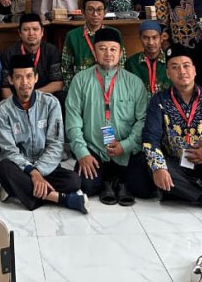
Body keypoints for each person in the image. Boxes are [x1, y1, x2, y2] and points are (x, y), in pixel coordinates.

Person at [65, 28, 153, 206]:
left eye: (113, 49)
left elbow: (143, 120)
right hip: (94, 148)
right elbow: (73, 121)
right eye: (102, 48)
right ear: (94, 52)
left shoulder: (134, 82)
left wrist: (126, 144)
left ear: (120, 53)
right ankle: (112, 180)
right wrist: (82, 153)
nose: (108, 54)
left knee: (144, 189)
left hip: (127, 150)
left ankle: (114, 180)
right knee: (86, 186)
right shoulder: (80, 80)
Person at [0, 54, 88, 213]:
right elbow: (9, 150)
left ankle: (17, 189)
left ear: (36, 78)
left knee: (74, 181)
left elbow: (55, 145)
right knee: (3, 168)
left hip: (46, 167)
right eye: (18, 77)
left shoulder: (51, 103)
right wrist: (31, 172)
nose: (25, 82)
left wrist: (38, 172)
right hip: (21, 167)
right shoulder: (3, 111)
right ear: (10, 80)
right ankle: (60, 199)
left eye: (29, 76)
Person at [142, 48, 202, 206]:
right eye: (175, 67)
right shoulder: (159, 101)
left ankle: (188, 193)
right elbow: (150, 137)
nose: (182, 71)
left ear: (194, 70)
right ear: (168, 74)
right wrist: (159, 168)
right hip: (177, 164)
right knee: (156, 168)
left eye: (186, 65)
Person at [61, 0, 123, 88]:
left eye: (99, 10)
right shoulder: (72, 36)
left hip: (110, 88)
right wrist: (74, 90)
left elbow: (121, 65)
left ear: (105, 12)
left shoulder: (115, 34)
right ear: (83, 12)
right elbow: (66, 69)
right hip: (81, 88)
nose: (95, 14)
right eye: (90, 9)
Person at [0, 13, 63, 101]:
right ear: (20, 33)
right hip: (17, 99)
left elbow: (58, 83)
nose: (31, 33)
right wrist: (18, 103)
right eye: (26, 30)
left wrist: (32, 96)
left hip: (44, 97)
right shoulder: (9, 53)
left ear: (42, 32)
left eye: (35, 29)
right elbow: (5, 88)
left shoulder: (51, 51)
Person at [126, 20, 171, 95]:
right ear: (140, 38)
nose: (150, 42)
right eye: (145, 38)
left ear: (161, 38)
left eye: (154, 37)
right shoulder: (131, 63)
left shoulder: (170, 61)